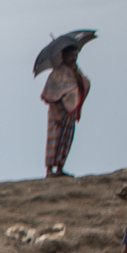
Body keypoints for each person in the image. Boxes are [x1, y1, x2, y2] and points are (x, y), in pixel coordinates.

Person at [41, 46, 89, 178]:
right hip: (58, 109)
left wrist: (77, 75)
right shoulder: (57, 74)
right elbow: (49, 94)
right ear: (64, 56)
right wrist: (56, 113)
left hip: (70, 110)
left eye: (75, 55)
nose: (73, 58)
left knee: (66, 139)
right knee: (54, 139)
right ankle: (50, 169)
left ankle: (60, 167)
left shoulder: (75, 72)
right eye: (71, 56)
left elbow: (83, 84)